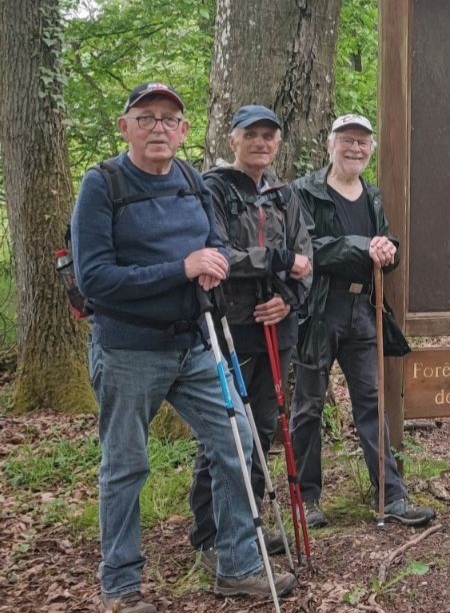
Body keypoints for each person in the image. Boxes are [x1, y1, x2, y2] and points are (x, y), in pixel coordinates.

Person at [73, 82, 298, 613]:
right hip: (128, 349)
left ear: (183, 131)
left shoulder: (193, 181)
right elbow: (95, 279)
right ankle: (121, 586)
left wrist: (214, 261)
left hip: (197, 343)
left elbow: (214, 242)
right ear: (125, 126)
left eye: (168, 119)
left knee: (238, 442)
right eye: (146, 118)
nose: (158, 128)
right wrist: (181, 269)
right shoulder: (102, 184)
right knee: (126, 465)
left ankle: (237, 565)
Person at [290, 114, 435, 528]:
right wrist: (362, 247)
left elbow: (384, 247)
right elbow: (308, 248)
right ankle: (307, 500)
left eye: (363, 142)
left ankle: (391, 495)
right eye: (348, 141)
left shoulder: (371, 195)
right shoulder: (305, 192)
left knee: (373, 403)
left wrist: (389, 251)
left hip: (363, 310)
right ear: (330, 144)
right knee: (308, 408)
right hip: (318, 311)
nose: (355, 148)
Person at [189, 105, 313, 569]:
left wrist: (289, 300)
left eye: (269, 135)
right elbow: (220, 255)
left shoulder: (285, 195)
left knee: (262, 428)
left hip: (276, 327)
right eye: (251, 135)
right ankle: (208, 533)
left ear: (278, 142)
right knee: (225, 431)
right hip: (229, 326)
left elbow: (306, 259)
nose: (261, 142)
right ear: (232, 140)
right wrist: (279, 261)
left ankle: (248, 524)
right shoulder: (213, 188)